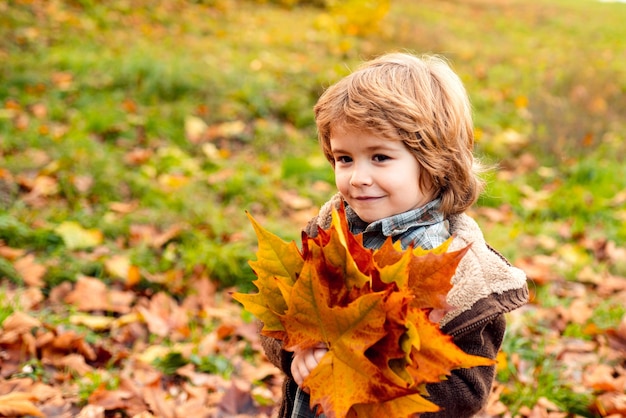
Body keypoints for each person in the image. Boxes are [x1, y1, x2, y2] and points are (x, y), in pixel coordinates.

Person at [261, 52, 529, 418]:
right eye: (344, 159)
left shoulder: (461, 274)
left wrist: (377, 384)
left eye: (380, 158)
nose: (358, 177)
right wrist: (298, 351)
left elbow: (469, 388)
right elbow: (278, 318)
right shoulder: (329, 232)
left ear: (436, 161)